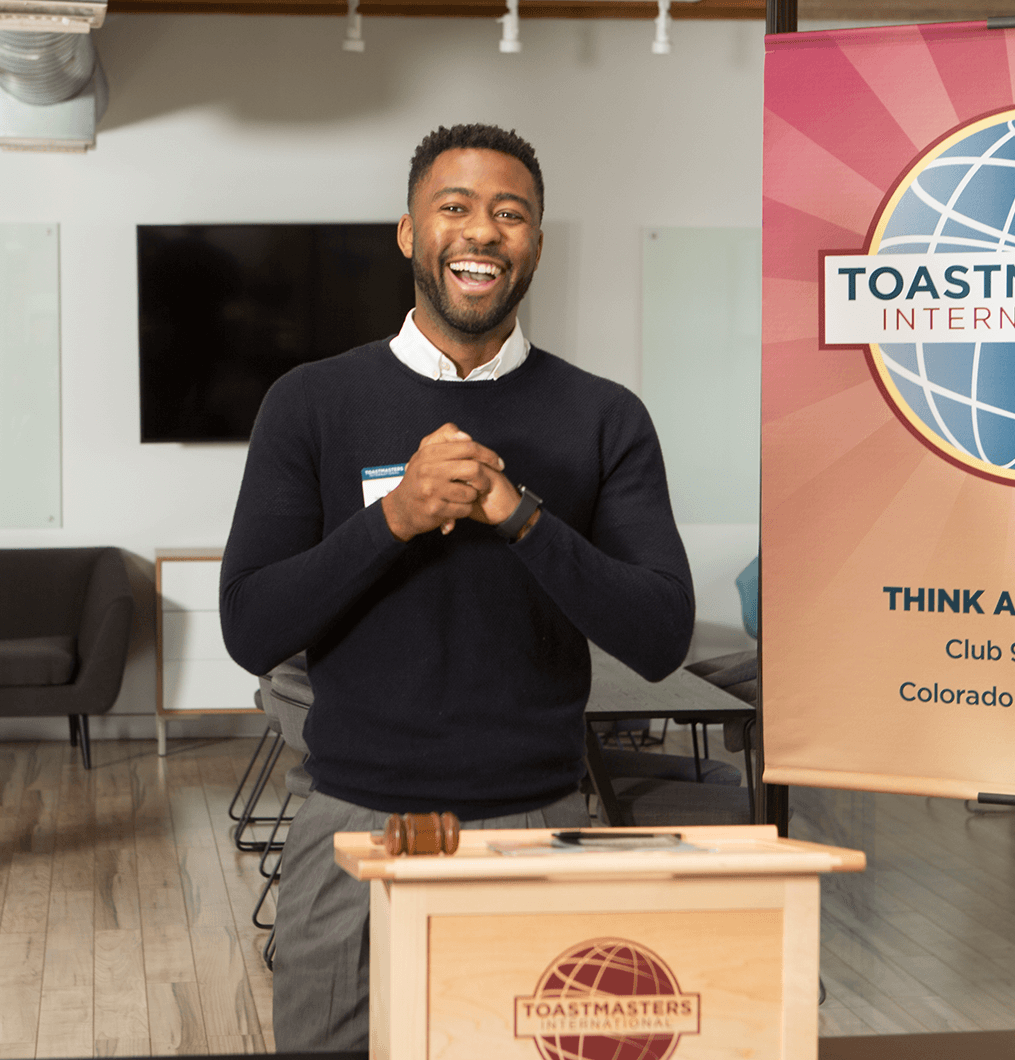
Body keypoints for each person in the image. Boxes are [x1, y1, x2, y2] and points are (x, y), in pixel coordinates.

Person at [219, 123, 695, 1052]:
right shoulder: (309, 403)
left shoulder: (605, 418)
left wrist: (522, 519)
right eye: (455, 207)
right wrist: (394, 516)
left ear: (536, 246)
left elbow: (659, 632)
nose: (482, 232)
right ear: (409, 233)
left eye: (509, 214)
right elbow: (250, 624)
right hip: (352, 828)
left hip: (539, 823)